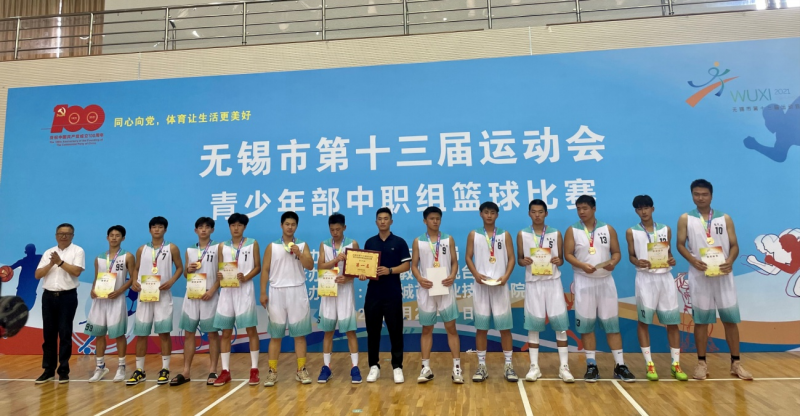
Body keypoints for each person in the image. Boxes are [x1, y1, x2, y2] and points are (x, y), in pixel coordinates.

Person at [676, 179, 753, 380]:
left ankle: (736, 363)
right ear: (692, 195)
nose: (700, 198)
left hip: (723, 275)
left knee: (730, 320)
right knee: (701, 321)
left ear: (711, 195)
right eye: (696, 194)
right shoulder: (685, 219)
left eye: (704, 194)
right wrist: (692, 260)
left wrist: (730, 261)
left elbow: (735, 245)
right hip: (699, 275)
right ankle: (701, 364)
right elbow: (680, 244)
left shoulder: (725, 218)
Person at [563, 195, 635, 382]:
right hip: (583, 281)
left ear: (594, 208)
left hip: (605, 282)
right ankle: (591, 365)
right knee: (586, 326)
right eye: (578, 208)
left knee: (612, 325)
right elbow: (568, 254)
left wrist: (613, 263)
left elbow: (616, 252)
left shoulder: (607, 229)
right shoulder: (572, 230)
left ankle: (620, 365)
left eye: (585, 208)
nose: (581, 212)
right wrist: (582, 265)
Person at [626, 195, 688, 382]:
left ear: (653, 209)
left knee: (672, 322)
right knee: (644, 321)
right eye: (639, 208)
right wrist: (637, 261)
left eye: (646, 207)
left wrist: (671, 260)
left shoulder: (665, 229)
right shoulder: (631, 232)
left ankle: (676, 364)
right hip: (645, 279)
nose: (643, 211)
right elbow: (631, 256)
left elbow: (669, 253)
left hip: (665, 279)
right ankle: (649, 363)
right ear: (636, 211)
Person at [517, 199, 574, 383]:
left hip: (553, 282)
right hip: (533, 283)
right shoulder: (522, 234)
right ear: (529, 213)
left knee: (560, 324)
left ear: (546, 213)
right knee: (533, 325)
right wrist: (524, 261)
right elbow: (519, 259)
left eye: (540, 212)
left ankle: (564, 367)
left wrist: (558, 261)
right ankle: (534, 367)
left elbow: (561, 259)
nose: (537, 215)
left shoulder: (556, 233)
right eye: (533, 212)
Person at [465, 202, 518, 383]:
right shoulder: (474, 234)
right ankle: (482, 366)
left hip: (500, 286)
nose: (489, 215)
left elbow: (512, 258)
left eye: (493, 212)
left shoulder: (504, 235)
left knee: (505, 327)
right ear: (480, 214)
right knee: (481, 328)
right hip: (481, 286)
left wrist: (506, 276)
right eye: (486, 212)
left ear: (497, 215)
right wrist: (476, 274)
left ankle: (509, 365)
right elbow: (468, 257)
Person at [127, 217, 184, 386]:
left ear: (165, 229)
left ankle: (165, 369)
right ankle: (139, 370)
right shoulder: (142, 249)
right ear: (149, 230)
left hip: (163, 294)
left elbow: (180, 267)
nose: (157, 229)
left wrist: (171, 281)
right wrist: (134, 281)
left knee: (164, 333)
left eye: (160, 227)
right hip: (145, 295)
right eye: (154, 227)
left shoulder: (171, 248)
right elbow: (136, 269)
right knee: (141, 333)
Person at [260, 211, 314, 386]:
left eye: (293, 224)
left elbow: (310, 265)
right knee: (276, 335)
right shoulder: (272, 246)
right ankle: (272, 372)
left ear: (296, 226)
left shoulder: (302, 245)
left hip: (297, 291)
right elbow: (265, 270)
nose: (290, 227)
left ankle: (301, 370)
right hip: (276, 292)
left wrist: (300, 253)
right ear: (281, 225)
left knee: (299, 335)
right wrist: (263, 292)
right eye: (287, 224)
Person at [411, 207, 463, 384]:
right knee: (427, 329)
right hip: (427, 289)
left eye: (438, 218)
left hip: (445, 288)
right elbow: (414, 265)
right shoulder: (418, 241)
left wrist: (452, 276)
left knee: (451, 328)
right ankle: (426, 368)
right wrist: (420, 279)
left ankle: (457, 367)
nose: (435, 221)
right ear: (425, 221)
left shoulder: (448, 239)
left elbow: (454, 262)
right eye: (431, 218)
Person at [171, 217, 222, 386]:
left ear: (212, 230)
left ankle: (213, 370)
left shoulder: (218, 248)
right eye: (200, 227)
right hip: (192, 294)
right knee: (189, 334)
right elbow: (186, 275)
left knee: (212, 334)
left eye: (207, 227)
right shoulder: (190, 250)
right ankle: (186, 371)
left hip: (210, 294)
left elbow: (223, 273)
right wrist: (188, 269)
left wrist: (212, 291)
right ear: (195, 230)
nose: (204, 230)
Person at [213, 213, 261, 387]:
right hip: (227, 291)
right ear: (229, 227)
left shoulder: (252, 243)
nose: (236, 228)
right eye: (233, 225)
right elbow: (219, 269)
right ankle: (225, 371)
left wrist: (246, 277)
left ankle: (254, 369)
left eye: (239, 225)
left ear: (244, 227)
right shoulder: (222, 246)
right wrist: (219, 275)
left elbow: (258, 267)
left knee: (251, 330)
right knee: (225, 332)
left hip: (245, 290)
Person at [364, 207, 411, 384]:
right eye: (380, 218)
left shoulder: (399, 242)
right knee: (372, 331)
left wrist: (389, 270)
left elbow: (406, 266)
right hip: (373, 294)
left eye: (386, 218)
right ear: (376, 222)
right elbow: (364, 266)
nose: (383, 221)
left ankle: (397, 367)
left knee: (395, 331)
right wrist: (362, 273)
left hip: (392, 293)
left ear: (391, 221)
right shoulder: (370, 242)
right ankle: (373, 366)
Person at [34, 223, 85, 384]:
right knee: (48, 335)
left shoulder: (78, 251)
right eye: (60, 233)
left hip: (67, 297)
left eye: (67, 234)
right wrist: (51, 263)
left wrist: (60, 262)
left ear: (72, 236)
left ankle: (63, 370)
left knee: (65, 333)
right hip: (48, 296)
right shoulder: (49, 252)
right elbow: (37, 275)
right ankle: (48, 370)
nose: (63, 236)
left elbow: (76, 271)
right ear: (56, 235)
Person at [85, 225, 135, 383]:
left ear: (123, 238)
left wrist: (120, 291)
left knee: (119, 334)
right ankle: (100, 367)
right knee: (99, 334)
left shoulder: (127, 256)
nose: (114, 238)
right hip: (100, 301)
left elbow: (133, 278)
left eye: (117, 235)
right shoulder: (99, 258)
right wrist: (93, 290)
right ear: (107, 238)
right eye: (111, 235)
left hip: (116, 300)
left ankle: (121, 367)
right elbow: (96, 278)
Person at [316, 213, 362, 384]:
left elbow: (358, 269)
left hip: (345, 290)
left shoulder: (352, 244)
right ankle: (326, 367)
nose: (335, 232)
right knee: (328, 331)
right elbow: (320, 267)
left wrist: (348, 278)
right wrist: (336, 259)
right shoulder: (324, 245)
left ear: (344, 228)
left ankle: (355, 367)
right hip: (328, 288)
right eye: (332, 229)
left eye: (338, 229)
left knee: (350, 330)